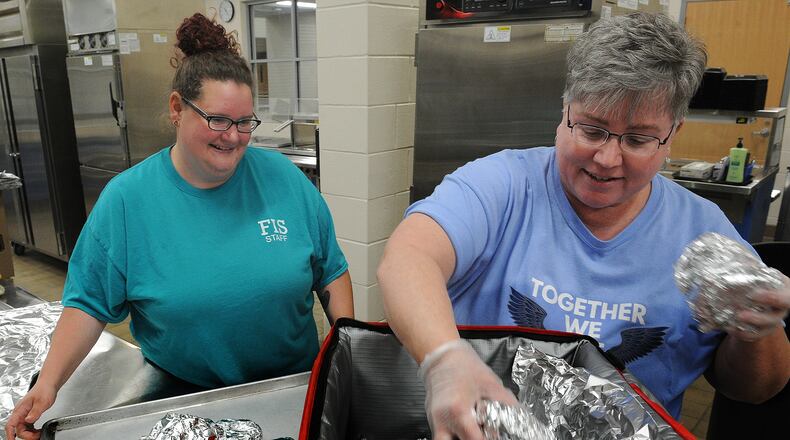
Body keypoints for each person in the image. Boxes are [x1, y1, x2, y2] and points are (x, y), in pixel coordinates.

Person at [377, 12, 790, 440]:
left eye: (638, 139)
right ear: (565, 110)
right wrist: (444, 359)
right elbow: (409, 257)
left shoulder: (704, 231)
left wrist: (754, 331)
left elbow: (757, 389)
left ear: (673, 133)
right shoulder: (503, 186)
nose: (608, 159)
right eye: (592, 130)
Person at [5, 13, 353, 440]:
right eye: (219, 120)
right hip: (182, 399)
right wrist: (49, 385)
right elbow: (88, 305)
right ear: (177, 109)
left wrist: (342, 351)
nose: (234, 136)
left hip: (293, 386)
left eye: (245, 122)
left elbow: (331, 273)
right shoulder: (128, 202)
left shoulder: (285, 181)